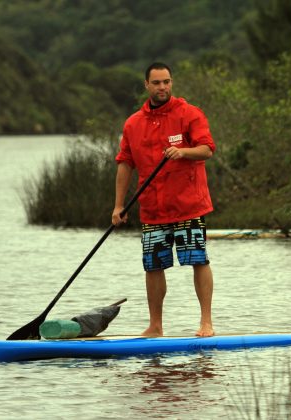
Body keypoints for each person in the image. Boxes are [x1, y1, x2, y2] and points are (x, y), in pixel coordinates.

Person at [112, 62, 216, 337]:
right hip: (152, 208)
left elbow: (207, 149)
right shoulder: (133, 123)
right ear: (146, 85)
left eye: (166, 82)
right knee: (153, 265)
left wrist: (183, 152)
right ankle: (155, 326)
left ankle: (206, 322)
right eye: (156, 83)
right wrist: (118, 206)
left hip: (188, 205)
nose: (162, 87)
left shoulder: (189, 114)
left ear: (172, 83)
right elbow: (124, 163)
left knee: (198, 259)